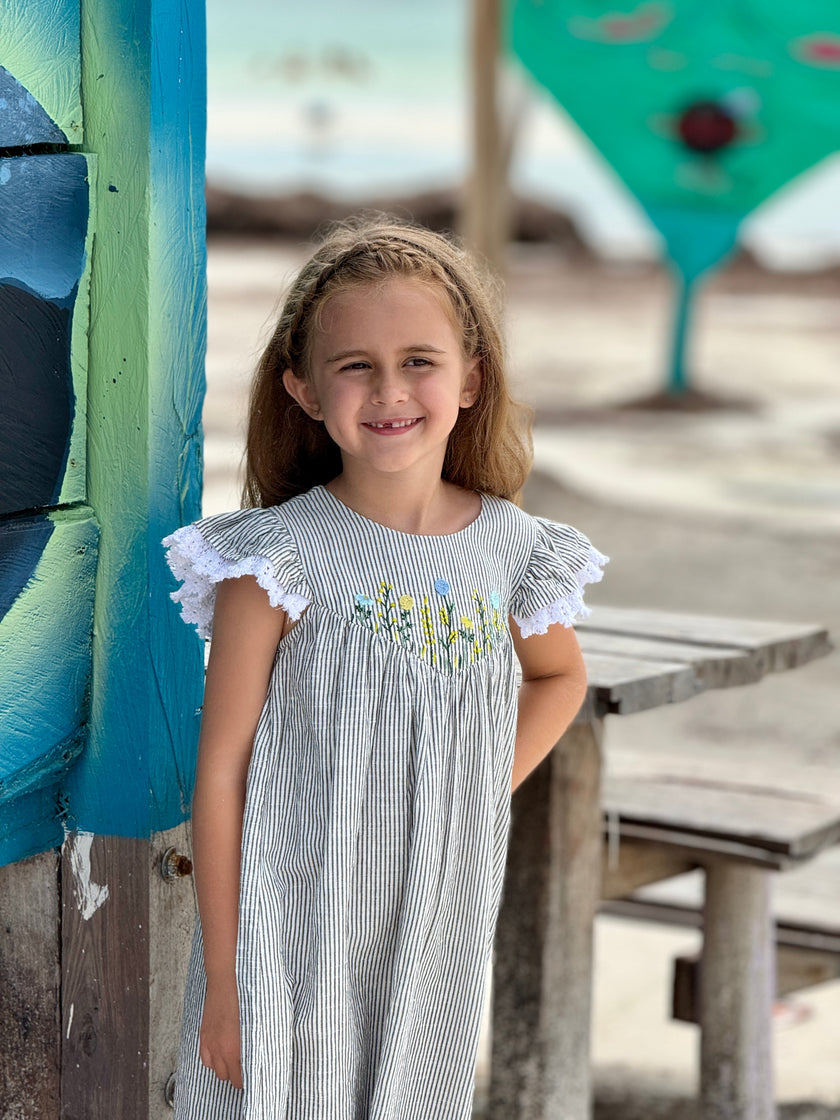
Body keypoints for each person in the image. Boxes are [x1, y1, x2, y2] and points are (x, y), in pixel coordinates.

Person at [163, 217, 609, 1120]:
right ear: (304, 388)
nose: (389, 389)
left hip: (434, 927)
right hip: (291, 931)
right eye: (355, 365)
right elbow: (220, 773)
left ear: (471, 378)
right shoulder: (276, 559)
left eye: (419, 360)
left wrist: (476, 784)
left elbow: (561, 678)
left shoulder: (518, 553)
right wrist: (222, 979)